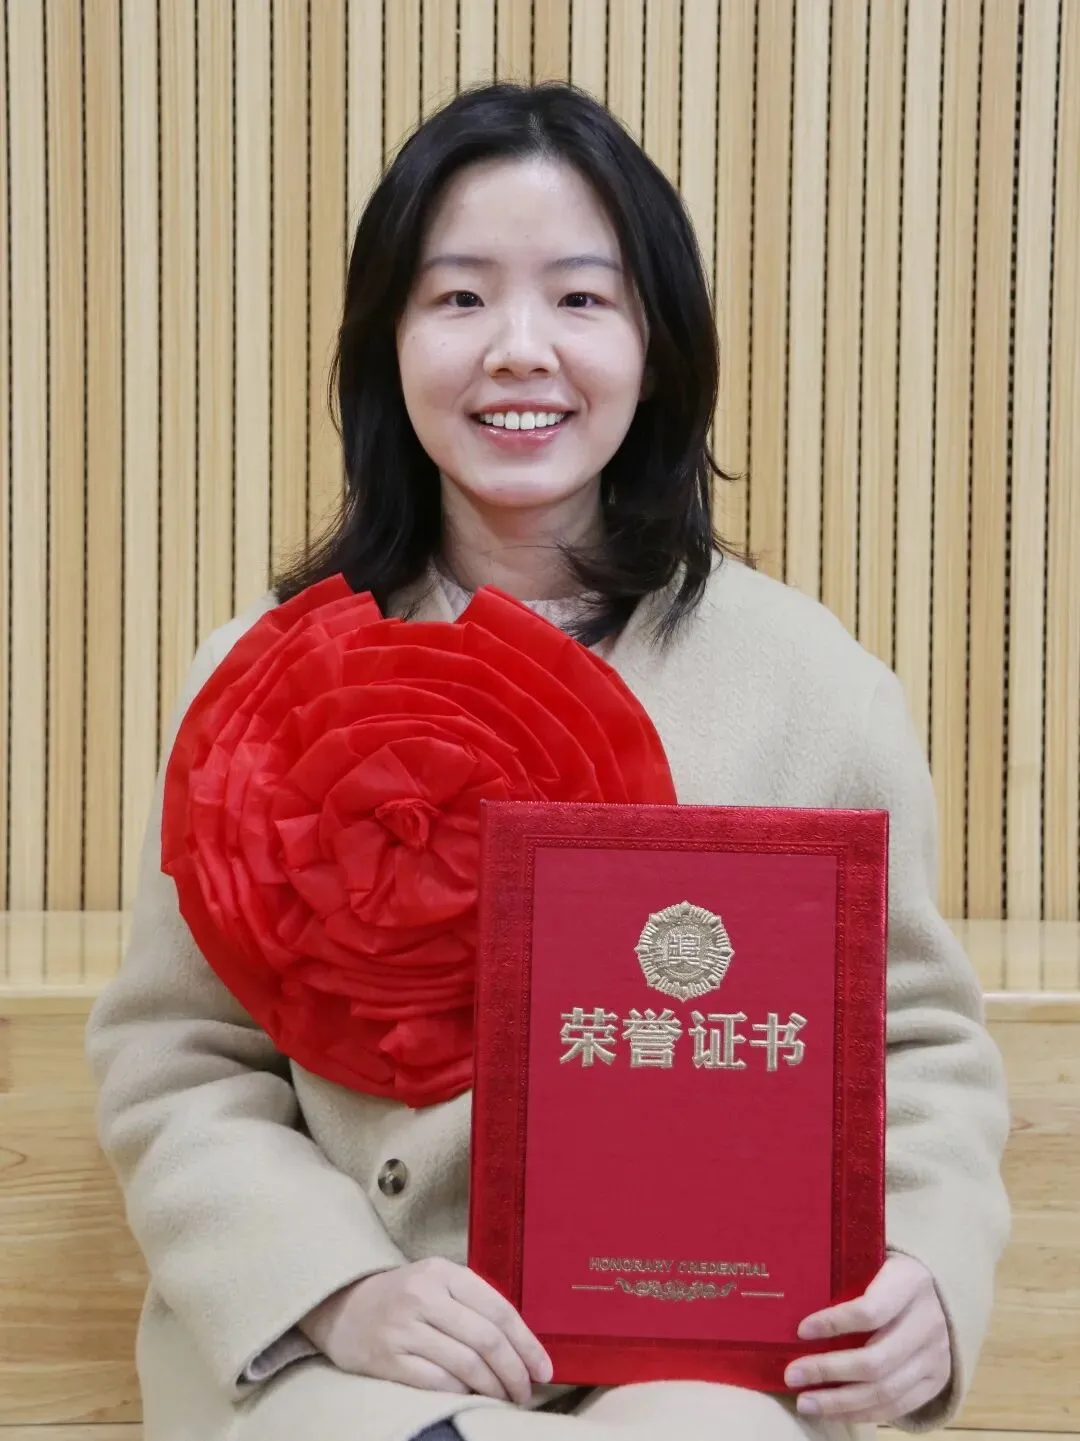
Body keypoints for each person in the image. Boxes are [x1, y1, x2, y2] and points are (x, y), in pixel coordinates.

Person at [86, 81, 1010, 1441]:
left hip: (702, 1352)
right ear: (388, 344)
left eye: (582, 298)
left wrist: (926, 1270)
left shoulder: (818, 686)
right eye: (459, 298)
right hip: (355, 1350)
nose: (520, 351)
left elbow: (918, 1046)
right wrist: (333, 1289)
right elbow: (180, 1054)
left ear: (657, 345)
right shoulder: (262, 684)